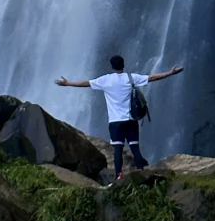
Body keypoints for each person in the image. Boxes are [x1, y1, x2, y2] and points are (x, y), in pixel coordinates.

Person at [56, 54, 184, 179]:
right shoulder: (131, 78)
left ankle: (119, 176)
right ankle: (142, 173)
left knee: (117, 150)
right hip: (131, 120)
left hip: (115, 121)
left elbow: (86, 83)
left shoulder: (105, 80)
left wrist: (68, 83)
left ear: (111, 66)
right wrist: (170, 73)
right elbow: (151, 78)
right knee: (135, 148)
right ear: (123, 65)